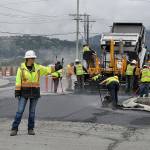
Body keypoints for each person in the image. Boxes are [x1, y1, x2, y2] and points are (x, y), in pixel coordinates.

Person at [10, 50, 53, 136]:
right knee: (20, 111)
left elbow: (48, 70)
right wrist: (17, 93)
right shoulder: (21, 69)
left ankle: (30, 129)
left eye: (34, 58)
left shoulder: (37, 68)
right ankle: (14, 129)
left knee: (32, 112)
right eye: (32, 58)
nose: (34, 59)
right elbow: (18, 81)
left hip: (35, 92)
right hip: (23, 93)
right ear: (28, 59)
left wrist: (57, 67)